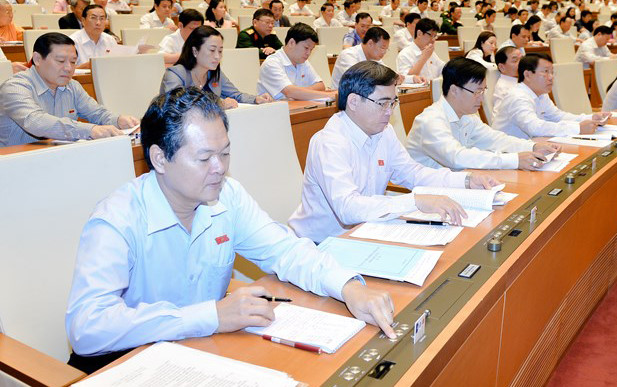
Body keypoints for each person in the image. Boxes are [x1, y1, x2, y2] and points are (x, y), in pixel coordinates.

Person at [65, 86, 396, 373]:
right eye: (204, 158)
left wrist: (347, 287)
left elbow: (286, 250)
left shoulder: (227, 195)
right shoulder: (117, 219)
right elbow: (87, 329)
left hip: (200, 351)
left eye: (224, 153)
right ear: (160, 159)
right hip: (127, 363)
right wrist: (211, 316)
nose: (219, 168)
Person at [288, 61, 498, 243]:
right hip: (321, 243)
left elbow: (413, 174)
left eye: (393, 102)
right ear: (353, 101)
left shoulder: (383, 131)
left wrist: (466, 180)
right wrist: (416, 201)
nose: (389, 112)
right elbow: (347, 208)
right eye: (382, 103)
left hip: (365, 232)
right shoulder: (330, 142)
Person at [406, 58, 558, 171]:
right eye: (477, 91)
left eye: (483, 90)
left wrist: (533, 147)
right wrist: (514, 160)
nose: (481, 98)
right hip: (425, 192)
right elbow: (457, 157)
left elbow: (496, 139)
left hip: (456, 183)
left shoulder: (467, 116)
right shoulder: (430, 120)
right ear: (454, 90)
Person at [0, 32, 138, 147]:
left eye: (73, 62)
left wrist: (118, 120)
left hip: (60, 156)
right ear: (37, 59)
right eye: (61, 61)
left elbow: (97, 113)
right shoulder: (15, 87)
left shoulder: (72, 86)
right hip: (15, 162)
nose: (68, 68)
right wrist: (90, 130)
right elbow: (36, 121)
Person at [492, 53, 609, 138]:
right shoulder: (517, 97)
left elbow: (557, 116)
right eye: (545, 72)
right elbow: (534, 127)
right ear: (527, 75)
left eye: (552, 72)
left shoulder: (541, 93)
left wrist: (590, 118)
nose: (551, 77)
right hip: (508, 154)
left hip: (532, 147)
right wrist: (577, 128)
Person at [160, 26, 272, 108]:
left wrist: (256, 99)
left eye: (220, 51)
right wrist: (219, 103)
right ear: (195, 51)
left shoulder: (214, 73)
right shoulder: (175, 74)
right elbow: (178, 104)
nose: (217, 56)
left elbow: (235, 95)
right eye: (212, 50)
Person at [256, 23, 334, 101]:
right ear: (292, 43)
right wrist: (330, 95)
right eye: (306, 48)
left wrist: (299, 93)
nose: (308, 53)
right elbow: (290, 92)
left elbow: (320, 86)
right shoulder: (272, 63)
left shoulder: (302, 61)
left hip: (297, 106)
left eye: (311, 49)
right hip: (274, 108)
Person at [492, 46, 522, 111]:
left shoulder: (525, 79)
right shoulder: (502, 88)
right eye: (515, 61)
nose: (521, 63)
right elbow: (498, 114)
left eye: (522, 59)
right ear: (502, 67)